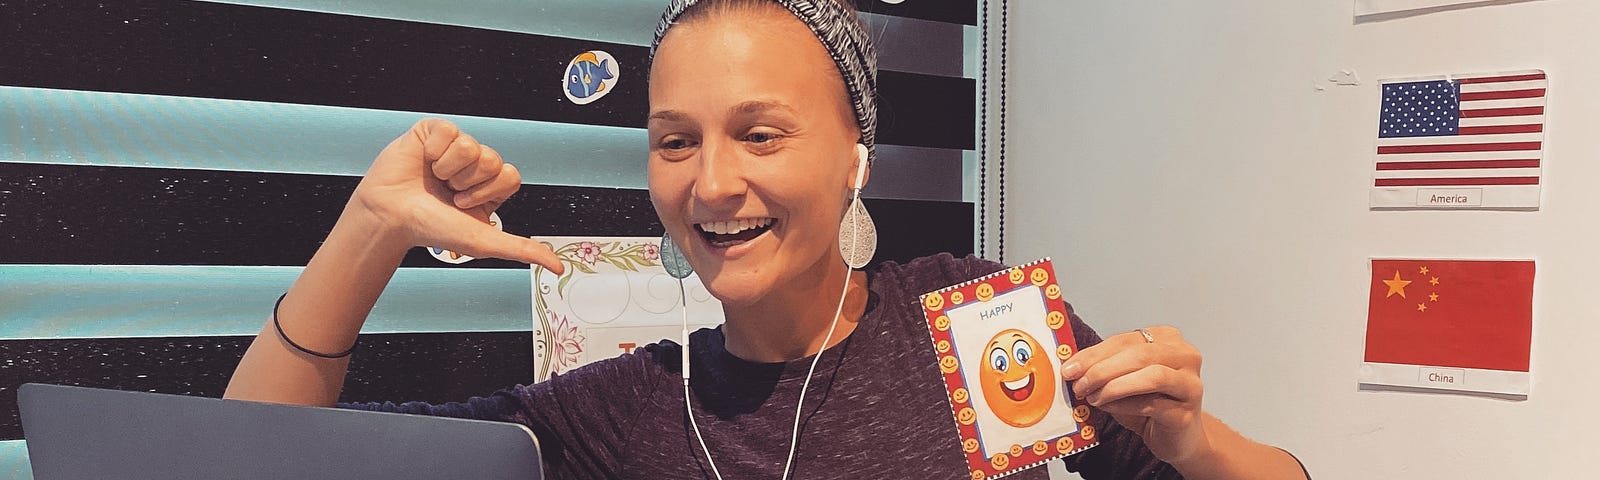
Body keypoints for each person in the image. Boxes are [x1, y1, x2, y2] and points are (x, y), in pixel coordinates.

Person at [224, 0, 1310, 478]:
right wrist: (368, 226)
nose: (714, 183)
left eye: (761, 134)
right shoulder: (625, 411)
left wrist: (1190, 444)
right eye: (673, 141)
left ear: (855, 155)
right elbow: (244, 465)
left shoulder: (971, 322)